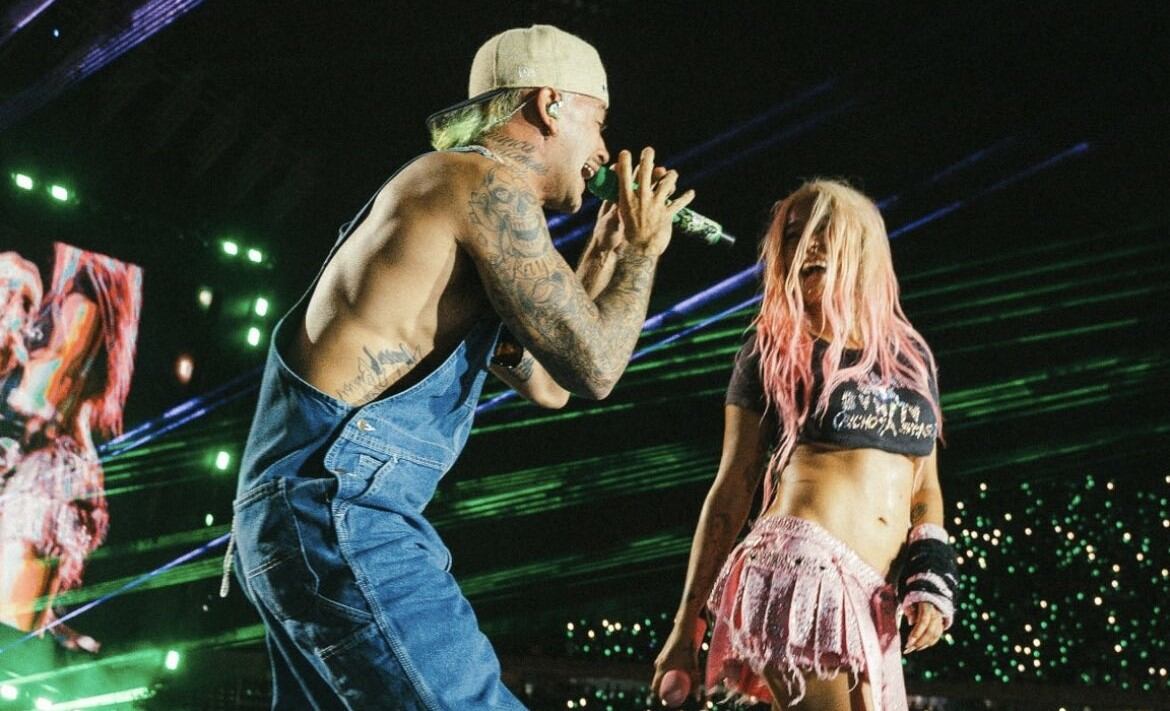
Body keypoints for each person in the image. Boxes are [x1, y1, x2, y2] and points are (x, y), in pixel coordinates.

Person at [228, 24, 695, 709]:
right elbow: (598, 368)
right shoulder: (482, 183)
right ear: (550, 105)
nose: (603, 150)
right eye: (598, 120)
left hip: (302, 511)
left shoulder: (449, 199)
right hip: (341, 507)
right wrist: (645, 253)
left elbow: (552, 385)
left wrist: (608, 249)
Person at [652, 180, 957, 711]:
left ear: (861, 245)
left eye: (823, 231)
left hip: (872, 593)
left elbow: (924, 486)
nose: (807, 246)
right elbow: (733, 486)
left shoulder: (910, 357)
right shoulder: (772, 346)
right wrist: (687, 626)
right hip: (798, 567)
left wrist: (931, 574)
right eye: (793, 235)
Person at [0, 244, 142, 653]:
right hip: (43, 478)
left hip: (44, 483)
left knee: (11, 636)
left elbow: (40, 399)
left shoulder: (84, 297)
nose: (13, 304)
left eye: (20, 297)